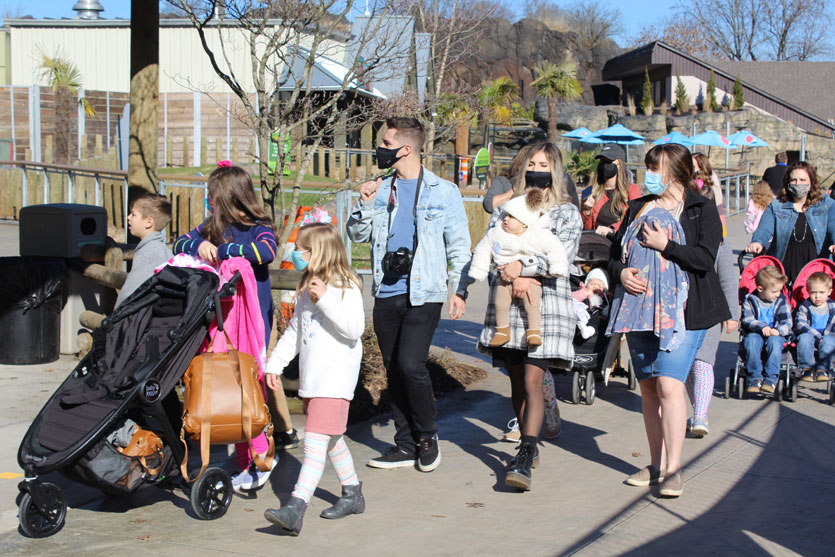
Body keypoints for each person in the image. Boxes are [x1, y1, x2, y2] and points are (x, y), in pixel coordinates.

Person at [346, 117, 470, 472]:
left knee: (410, 364)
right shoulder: (380, 188)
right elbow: (357, 235)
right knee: (394, 369)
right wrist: (365, 203)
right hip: (387, 289)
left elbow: (459, 245)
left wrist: (459, 289)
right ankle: (404, 444)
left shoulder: (443, 191)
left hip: (425, 292)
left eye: (386, 143)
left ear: (406, 148)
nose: (379, 149)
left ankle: (427, 437)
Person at [610, 143, 729, 498]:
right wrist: (620, 273)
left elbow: (705, 259)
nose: (649, 173)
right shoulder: (639, 207)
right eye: (648, 167)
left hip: (686, 313)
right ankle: (656, 464)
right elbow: (613, 254)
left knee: (669, 385)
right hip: (640, 310)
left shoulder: (701, 209)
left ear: (676, 171)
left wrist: (666, 245)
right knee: (648, 388)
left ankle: (674, 469)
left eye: (655, 167)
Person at [464, 141, 581, 491]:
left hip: (545, 308)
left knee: (533, 379)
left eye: (544, 164)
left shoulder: (566, 213)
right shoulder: (507, 209)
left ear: (554, 170)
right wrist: (504, 272)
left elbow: (560, 257)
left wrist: (522, 268)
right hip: (507, 308)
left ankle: (526, 453)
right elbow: (490, 246)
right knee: (516, 380)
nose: (537, 170)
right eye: (532, 163)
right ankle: (528, 441)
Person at [172, 163, 297, 491]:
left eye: (213, 195)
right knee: (230, 388)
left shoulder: (259, 226)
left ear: (228, 196)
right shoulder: (212, 226)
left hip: (253, 320)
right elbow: (178, 244)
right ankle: (245, 464)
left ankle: (262, 456)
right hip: (223, 320)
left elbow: (265, 252)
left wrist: (223, 251)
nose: (209, 201)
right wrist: (197, 246)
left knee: (248, 387)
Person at [263, 222, 365, 536]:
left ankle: (296, 507)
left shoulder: (345, 286)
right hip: (314, 380)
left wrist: (326, 299)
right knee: (331, 439)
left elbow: (354, 329)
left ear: (318, 252)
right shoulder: (308, 287)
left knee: (314, 444)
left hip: (334, 381)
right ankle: (353, 493)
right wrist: (274, 365)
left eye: (301, 249)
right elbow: (296, 331)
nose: (296, 254)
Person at [469, 188, 569, 347]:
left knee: (533, 304)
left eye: (511, 217)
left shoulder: (539, 235)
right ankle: (502, 331)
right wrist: (478, 270)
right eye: (505, 215)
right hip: (504, 277)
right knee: (500, 304)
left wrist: (558, 267)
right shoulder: (497, 233)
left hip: (531, 278)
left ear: (524, 222)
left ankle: (534, 331)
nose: (505, 219)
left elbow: (556, 249)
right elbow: (483, 249)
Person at [746, 161, 835, 284]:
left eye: (802, 180)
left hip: (816, 273)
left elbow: (833, 226)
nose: (798, 184)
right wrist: (757, 241)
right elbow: (765, 229)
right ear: (787, 182)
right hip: (784, 269)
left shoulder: (826, 204)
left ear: (811, 181)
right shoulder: (777, 206)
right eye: (793, 180)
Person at [685, 240, 739, 437]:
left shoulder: (719, 244)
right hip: (682, 313)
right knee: (687, 368)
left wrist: (732, 314)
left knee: (702, 362)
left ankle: (700, 416)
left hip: (711, 311)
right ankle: (698, 410)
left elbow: (727, 280)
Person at [115, 192, 173, 307]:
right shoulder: (164, 250)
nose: (128, 217)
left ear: (149, 222)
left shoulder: (146, 254)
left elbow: (129, 294)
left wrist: (115, 314)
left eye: (133, 214)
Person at [740, 266, 791, 394]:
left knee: (775, 343)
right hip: (755, 332)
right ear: (760, 289)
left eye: (779, 290)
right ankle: (755, 377)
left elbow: (787, 321)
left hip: (775, 334)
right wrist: (762, 326)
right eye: (774, 291)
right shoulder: (750, 299)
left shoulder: (781, 300)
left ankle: (771, 379)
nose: (778, 294)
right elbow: (747, 319)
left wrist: (779, 330)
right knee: (751, 342)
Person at [482, 148, 580, 213]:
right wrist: (518, 188)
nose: (535, 169)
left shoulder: (563, 182)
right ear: (520, 165)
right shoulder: (504, 181)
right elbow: (489, 205)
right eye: (531, 164)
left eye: (543, 165)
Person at [580, 144, 641, 237]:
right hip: (597, 241)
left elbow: (636, 217)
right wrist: (586, 212)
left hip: (620, 241)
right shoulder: (589, 191)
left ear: (619, 164)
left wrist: (612, 229)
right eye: (602, 161)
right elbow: (586, 230)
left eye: (609, 161)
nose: (605, 165)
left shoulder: (632, 190)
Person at [794, 271, 835, 383]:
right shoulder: (805, 307)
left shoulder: (833, 307)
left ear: (829, 292)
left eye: (822, 292)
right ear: (808, 292)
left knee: (829, 340)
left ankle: (822, 369)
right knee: (804, 338)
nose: (817, 296)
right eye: (813, 292)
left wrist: (823, 338)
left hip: (827, 336)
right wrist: (817, 336)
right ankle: (806, 368)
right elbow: (800, 324)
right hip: (810, 334)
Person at [692, 153, 726, 232]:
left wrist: (722, 233)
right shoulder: (688, 185)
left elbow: (720, 211)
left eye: (693, 166)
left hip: (709, 229)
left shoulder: (712, 188)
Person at [572, 267, 608, 339]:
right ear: (586, 284)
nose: (595, 287)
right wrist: (584, 293)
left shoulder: (603, 299)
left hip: (594, 319)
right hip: (581, 311)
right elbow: (572, 297)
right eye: (592, 284)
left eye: (599, 286)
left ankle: (587, 330)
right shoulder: (583, 291)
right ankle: (582, 325)